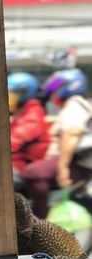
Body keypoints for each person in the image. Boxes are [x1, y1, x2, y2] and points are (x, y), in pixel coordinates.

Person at [22, 68, 92, 219]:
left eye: (56, 87)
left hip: (76, 164)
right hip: (74, 162)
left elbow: (71, 134)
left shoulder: (75, 105)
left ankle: (40, 219)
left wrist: (62, 168)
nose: (53, 92)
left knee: (33, 173)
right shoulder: (74, 105)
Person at [8, 72, 50, 187]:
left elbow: (12, 141)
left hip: (24, 167)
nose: (7, 97)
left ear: (24, 93)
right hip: (14, 163)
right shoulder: (21, 114)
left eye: (11, 93)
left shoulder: (33, 116)